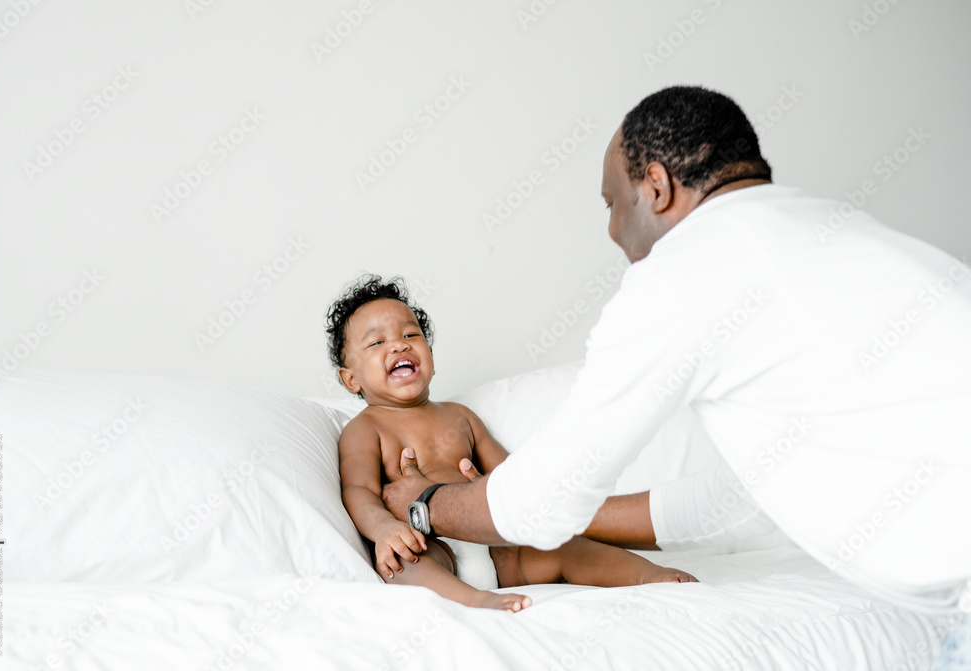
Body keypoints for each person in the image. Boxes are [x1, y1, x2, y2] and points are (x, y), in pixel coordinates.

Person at [381, 86, 971, 662]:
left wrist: (425, 503)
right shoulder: (842, 232)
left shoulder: (683, 272)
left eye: (611, 203)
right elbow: (747, 497)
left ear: (656, 186)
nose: (612, 230)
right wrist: (576, 509)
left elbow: (541, 503)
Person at [328, 275, 696, 612]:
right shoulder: (365, 429)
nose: (398, 346)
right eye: (377, 342)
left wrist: (493, 495)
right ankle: (475, 600)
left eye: (410, 335)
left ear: (432, 358)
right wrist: (382, 529)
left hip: (498, 547)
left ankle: (649, 575)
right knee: (400, 566)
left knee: (564, 547)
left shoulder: (461, 416)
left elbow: (514, 476)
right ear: (351, 379)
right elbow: (359, 491)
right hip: (433, 548)